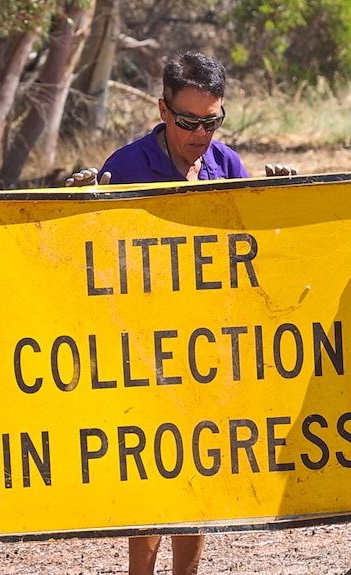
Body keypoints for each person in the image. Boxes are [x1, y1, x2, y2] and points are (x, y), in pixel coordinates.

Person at [67, 50, 293, 575]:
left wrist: (282, 198)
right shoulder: (124, 167)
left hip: (209, 346)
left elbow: (251, 250)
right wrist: (77, 211)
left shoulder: (227, 164)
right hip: (144, 347)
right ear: (163, 109)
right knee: (150, 475)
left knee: (197, 473)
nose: (200, 134)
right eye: (189, 121)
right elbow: (96, 261)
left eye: (211, 121)